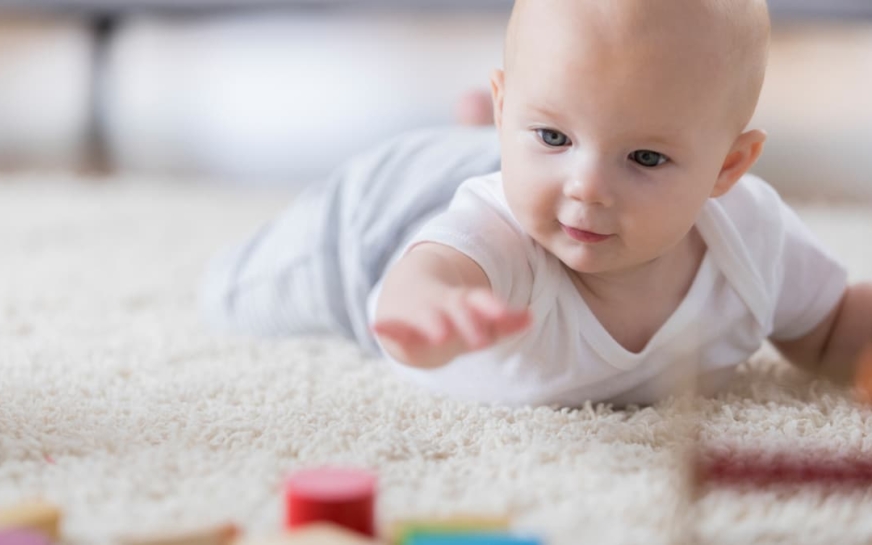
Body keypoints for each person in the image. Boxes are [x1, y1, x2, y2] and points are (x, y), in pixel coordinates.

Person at [200, 0, 872, 407]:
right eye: (555, 133)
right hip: (380, 219)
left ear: (729, 167)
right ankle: (481, 138)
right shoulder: (498, 234)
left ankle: (501, 135)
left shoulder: (751, 239)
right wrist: (432, 311)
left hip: (506, 162)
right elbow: (428, 275)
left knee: (539, 157)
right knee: (229, 297)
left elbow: (832, 324)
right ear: (507, 106)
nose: (587, 185)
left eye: (644, 157)